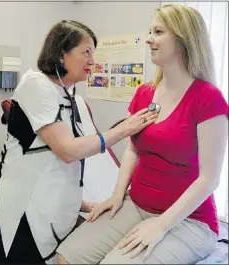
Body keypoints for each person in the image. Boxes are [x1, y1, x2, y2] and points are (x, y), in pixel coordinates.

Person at [56, 5, 228, 265]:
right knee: (66, 257)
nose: (149, 38)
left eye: (158, 32)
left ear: (184, 39)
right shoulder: (145, 93)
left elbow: (210, 178)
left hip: (189, 220)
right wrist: (117, 195)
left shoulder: (207, 99)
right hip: (136, 205)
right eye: (150, 31)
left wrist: (160, 225)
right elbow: (133, 149)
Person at [0, 20, 158, 265]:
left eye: (93, 54)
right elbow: (67, 151)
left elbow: (58, 166)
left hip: (53, 211)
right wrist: (125, 129)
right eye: (86, 52)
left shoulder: (70, 95)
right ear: (61, 54)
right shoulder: (36, 85)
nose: (92, 61)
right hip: (21, 209)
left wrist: (82, 203)